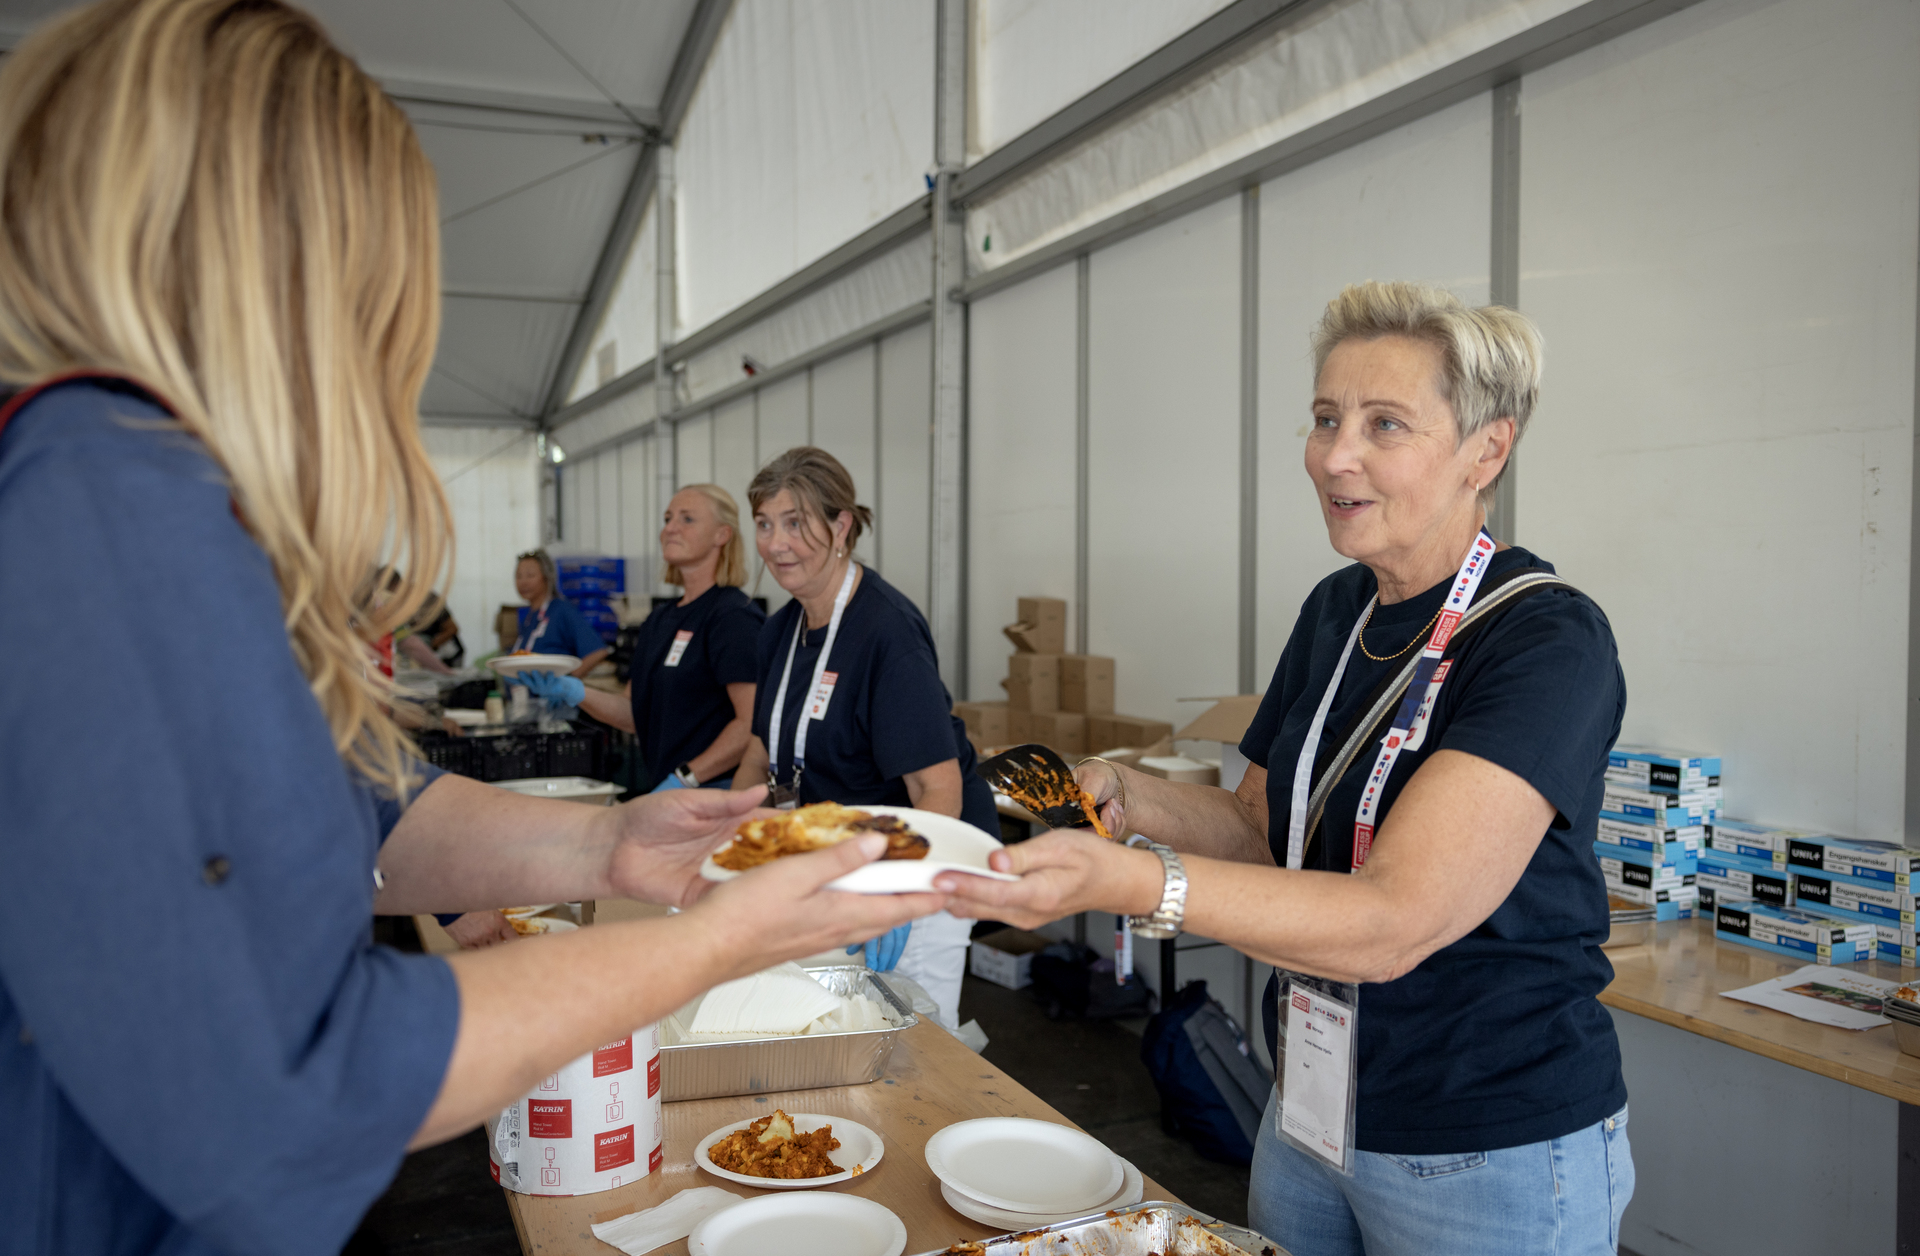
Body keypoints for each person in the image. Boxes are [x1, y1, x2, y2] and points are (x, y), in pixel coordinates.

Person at [0, 5, 941, 1252]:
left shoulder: (119, 492)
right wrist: (710, 943)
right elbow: (288, 1090)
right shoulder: (110, 509)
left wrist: (608, 846)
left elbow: (360, 810)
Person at [940, 282, 1633, 1256]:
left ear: (1488, 448)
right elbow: (1269, 826)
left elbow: (1394, 920)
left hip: (1479, 1139)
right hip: (1308, 1106)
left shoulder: (1545, 640)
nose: (1334, 455)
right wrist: (1137, 799)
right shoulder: (1336, 609)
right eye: (1323, 417)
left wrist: (1140, 881)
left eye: (1383, 423)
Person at [732, 447, 994, 1025]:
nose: (776, 544)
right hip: (831, 864)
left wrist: (898, 892)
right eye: (765, 524)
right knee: (832, 1033)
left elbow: (938, 786)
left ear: (842, 525)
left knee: (917, 1050)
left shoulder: (886, 631)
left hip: (916, 871)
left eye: (796, 523)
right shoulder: (779, 631)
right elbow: (759, 750)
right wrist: (731, 834)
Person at [522, 485, 763, 792]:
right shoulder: (659, 620)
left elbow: (752, 724)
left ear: (722, 535)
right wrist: (576, 691)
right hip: (671, 794)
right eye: (667, 519)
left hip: (719, 794)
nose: (670, 529)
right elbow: (635, 715)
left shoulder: (732, 616)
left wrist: (687, 777)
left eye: (687, 519)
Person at [510, 548, 610, 678]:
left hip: (554, 697)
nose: (523, 582)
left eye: (530, 575)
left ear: (547, 577)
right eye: (519, 576)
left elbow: (598, 651)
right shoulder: (529, 617)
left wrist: (568, 682)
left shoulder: (561, 610)